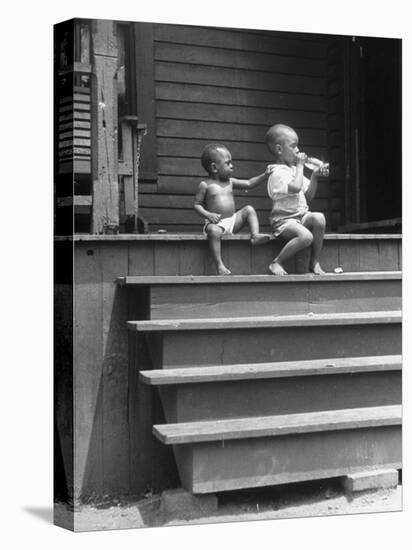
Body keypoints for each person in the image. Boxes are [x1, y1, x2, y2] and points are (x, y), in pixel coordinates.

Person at [194, 143, 272, 275]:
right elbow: (196, 205)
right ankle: (220, 265)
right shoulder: (205, 185)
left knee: (249, 209)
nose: (232, 166)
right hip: (215, 224)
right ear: (214, 167)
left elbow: (249, 183)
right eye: (228, 163)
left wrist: (264, 175)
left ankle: (255, 236)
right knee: (213, 231)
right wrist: (208, 214)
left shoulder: (230, 181)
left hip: (232, 222)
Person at [265, 124, 329, 275]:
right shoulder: (277, 173)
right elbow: (295, 187)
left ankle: (314, 262)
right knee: (306, 237)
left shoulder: (294, 170)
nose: (298, 151)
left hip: (301, 217)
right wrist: (300, 166)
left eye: (297, 146)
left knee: (319, 218)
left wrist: (314, 176)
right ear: (279, 149)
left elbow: (308, 197)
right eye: (293, 146)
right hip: (285, 221)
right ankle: (277, 262)